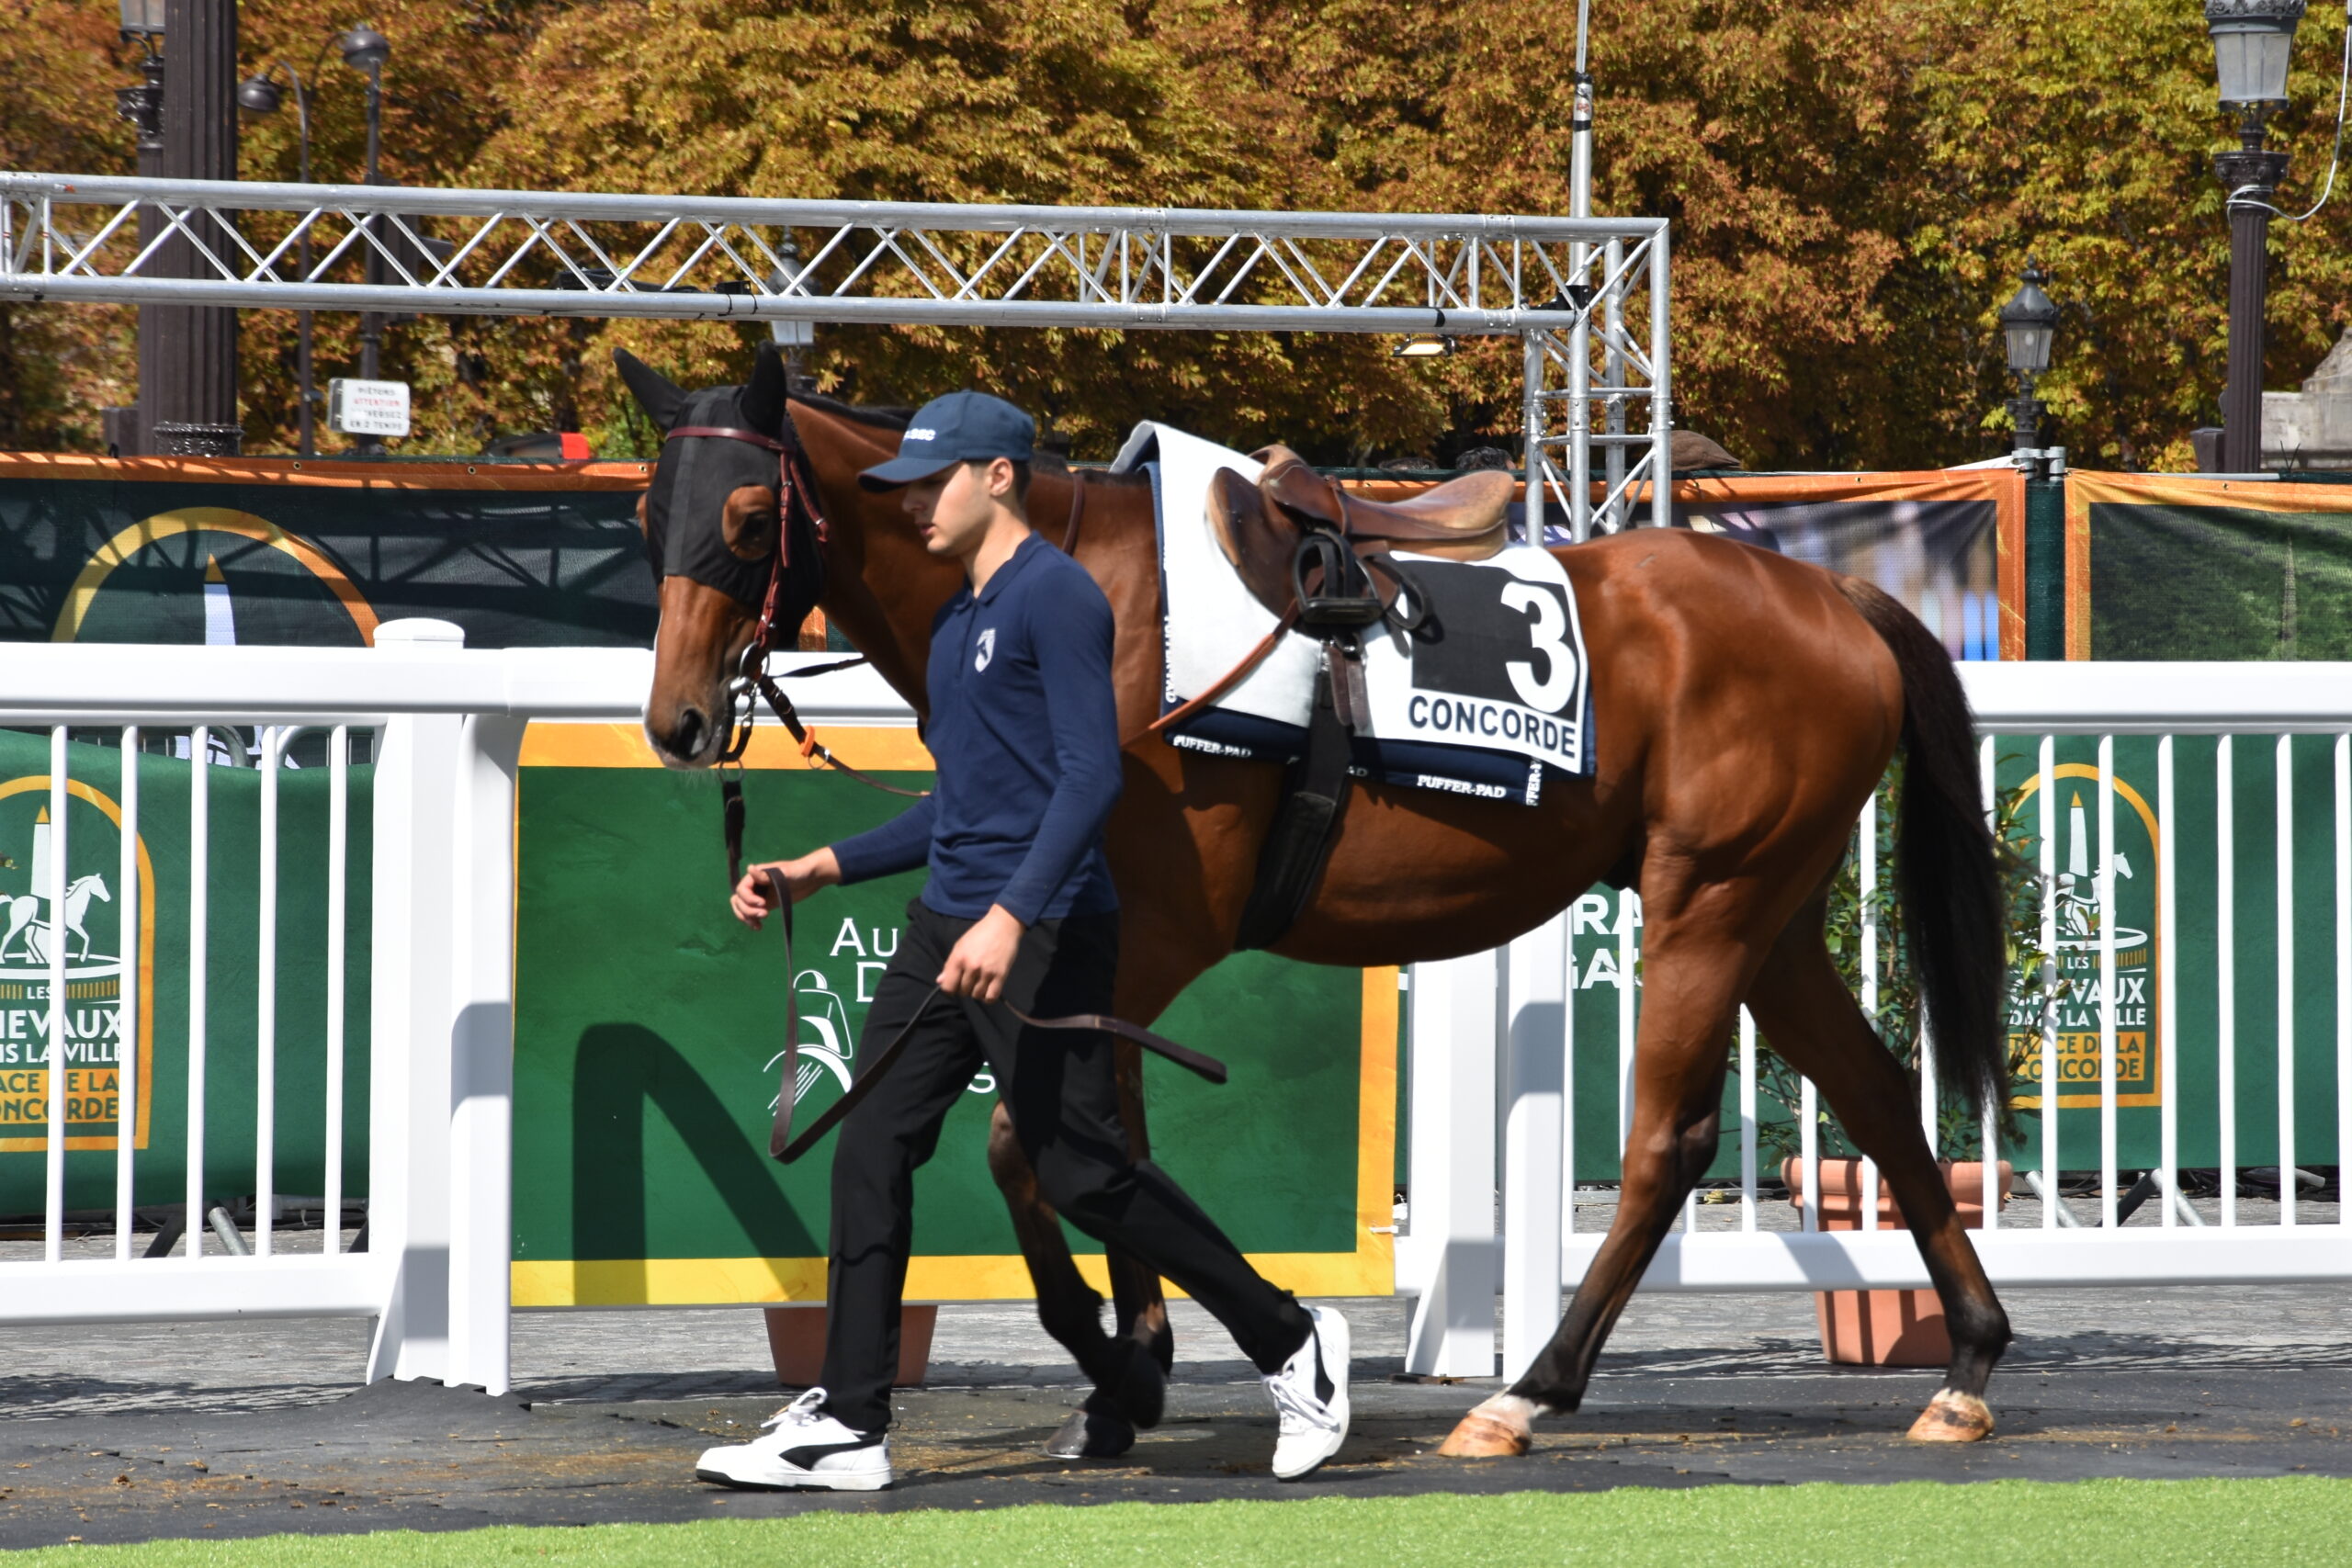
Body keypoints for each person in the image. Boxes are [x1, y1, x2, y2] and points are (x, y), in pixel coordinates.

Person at [692, 390, 1350, 1493]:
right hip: (946, 927)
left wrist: (1009, 916)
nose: (912, 505)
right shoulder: (956, 622)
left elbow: (1091, 780)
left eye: (931, 482)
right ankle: (851, 1422)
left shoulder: (1057, 596)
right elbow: (964, 805)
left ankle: (1291, 1339)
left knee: (1083, 1175)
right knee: (869, 1147)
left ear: (998, 476)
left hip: (1043, 930)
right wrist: (822, 865)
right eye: (903, 488)